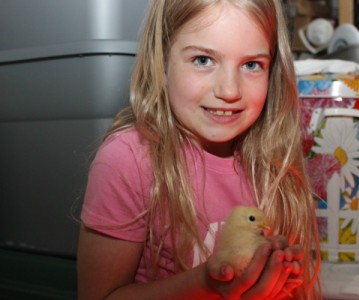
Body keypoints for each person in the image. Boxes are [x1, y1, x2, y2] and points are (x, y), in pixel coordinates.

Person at [77, 0, 321, 299]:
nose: (229, 91)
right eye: (203, 60)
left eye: (251, 65)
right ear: (161, 58)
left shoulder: (274, 162)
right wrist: (206, 286)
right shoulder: (128, 161)